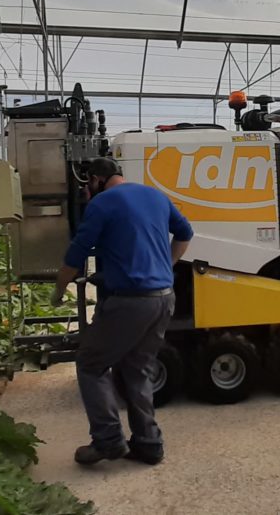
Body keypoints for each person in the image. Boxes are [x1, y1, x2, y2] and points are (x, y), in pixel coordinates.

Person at [52, 156, 193, 466]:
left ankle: (108, 440)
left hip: (130, 302)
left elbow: (74, 258)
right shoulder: (155, 195)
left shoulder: (102, 205)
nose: (88, 192)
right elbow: (186, 233)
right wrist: (165, 266)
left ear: (96, 180)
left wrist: (59, 290)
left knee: (91, 364)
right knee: (136, 369)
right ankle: (149, 443)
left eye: (88, 185)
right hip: (163, 298)